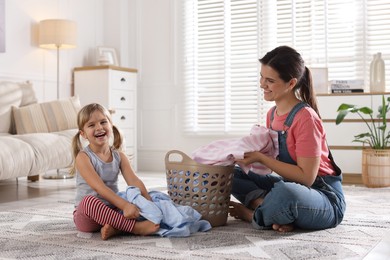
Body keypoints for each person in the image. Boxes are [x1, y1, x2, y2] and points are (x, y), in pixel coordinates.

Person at [228, 46, 346, 232]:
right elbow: (271, 166)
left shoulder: (306, 118)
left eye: (270, 80)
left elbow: (307, 179)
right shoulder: (272, 115)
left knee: (286, 194)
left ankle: (253, 215)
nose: (262, 84)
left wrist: (261, 158)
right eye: (261, 77)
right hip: (292, 186)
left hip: (324, 197)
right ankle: (271, 209)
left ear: (291, 83)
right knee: (230, 173)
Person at [71, 103, 159, 240]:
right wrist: (125, 206)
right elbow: (98, 187)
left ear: (111, 125)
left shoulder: (119, 156)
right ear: (83, 134)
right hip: (88, 216)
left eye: (103, 122)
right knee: (89, 201)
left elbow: (134, 181)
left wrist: (149, 203)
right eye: (91, 125)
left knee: (135, 197)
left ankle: (116, 228)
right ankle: (136, 229)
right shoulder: (83, 157)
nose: (99, 127)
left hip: (113, 211)